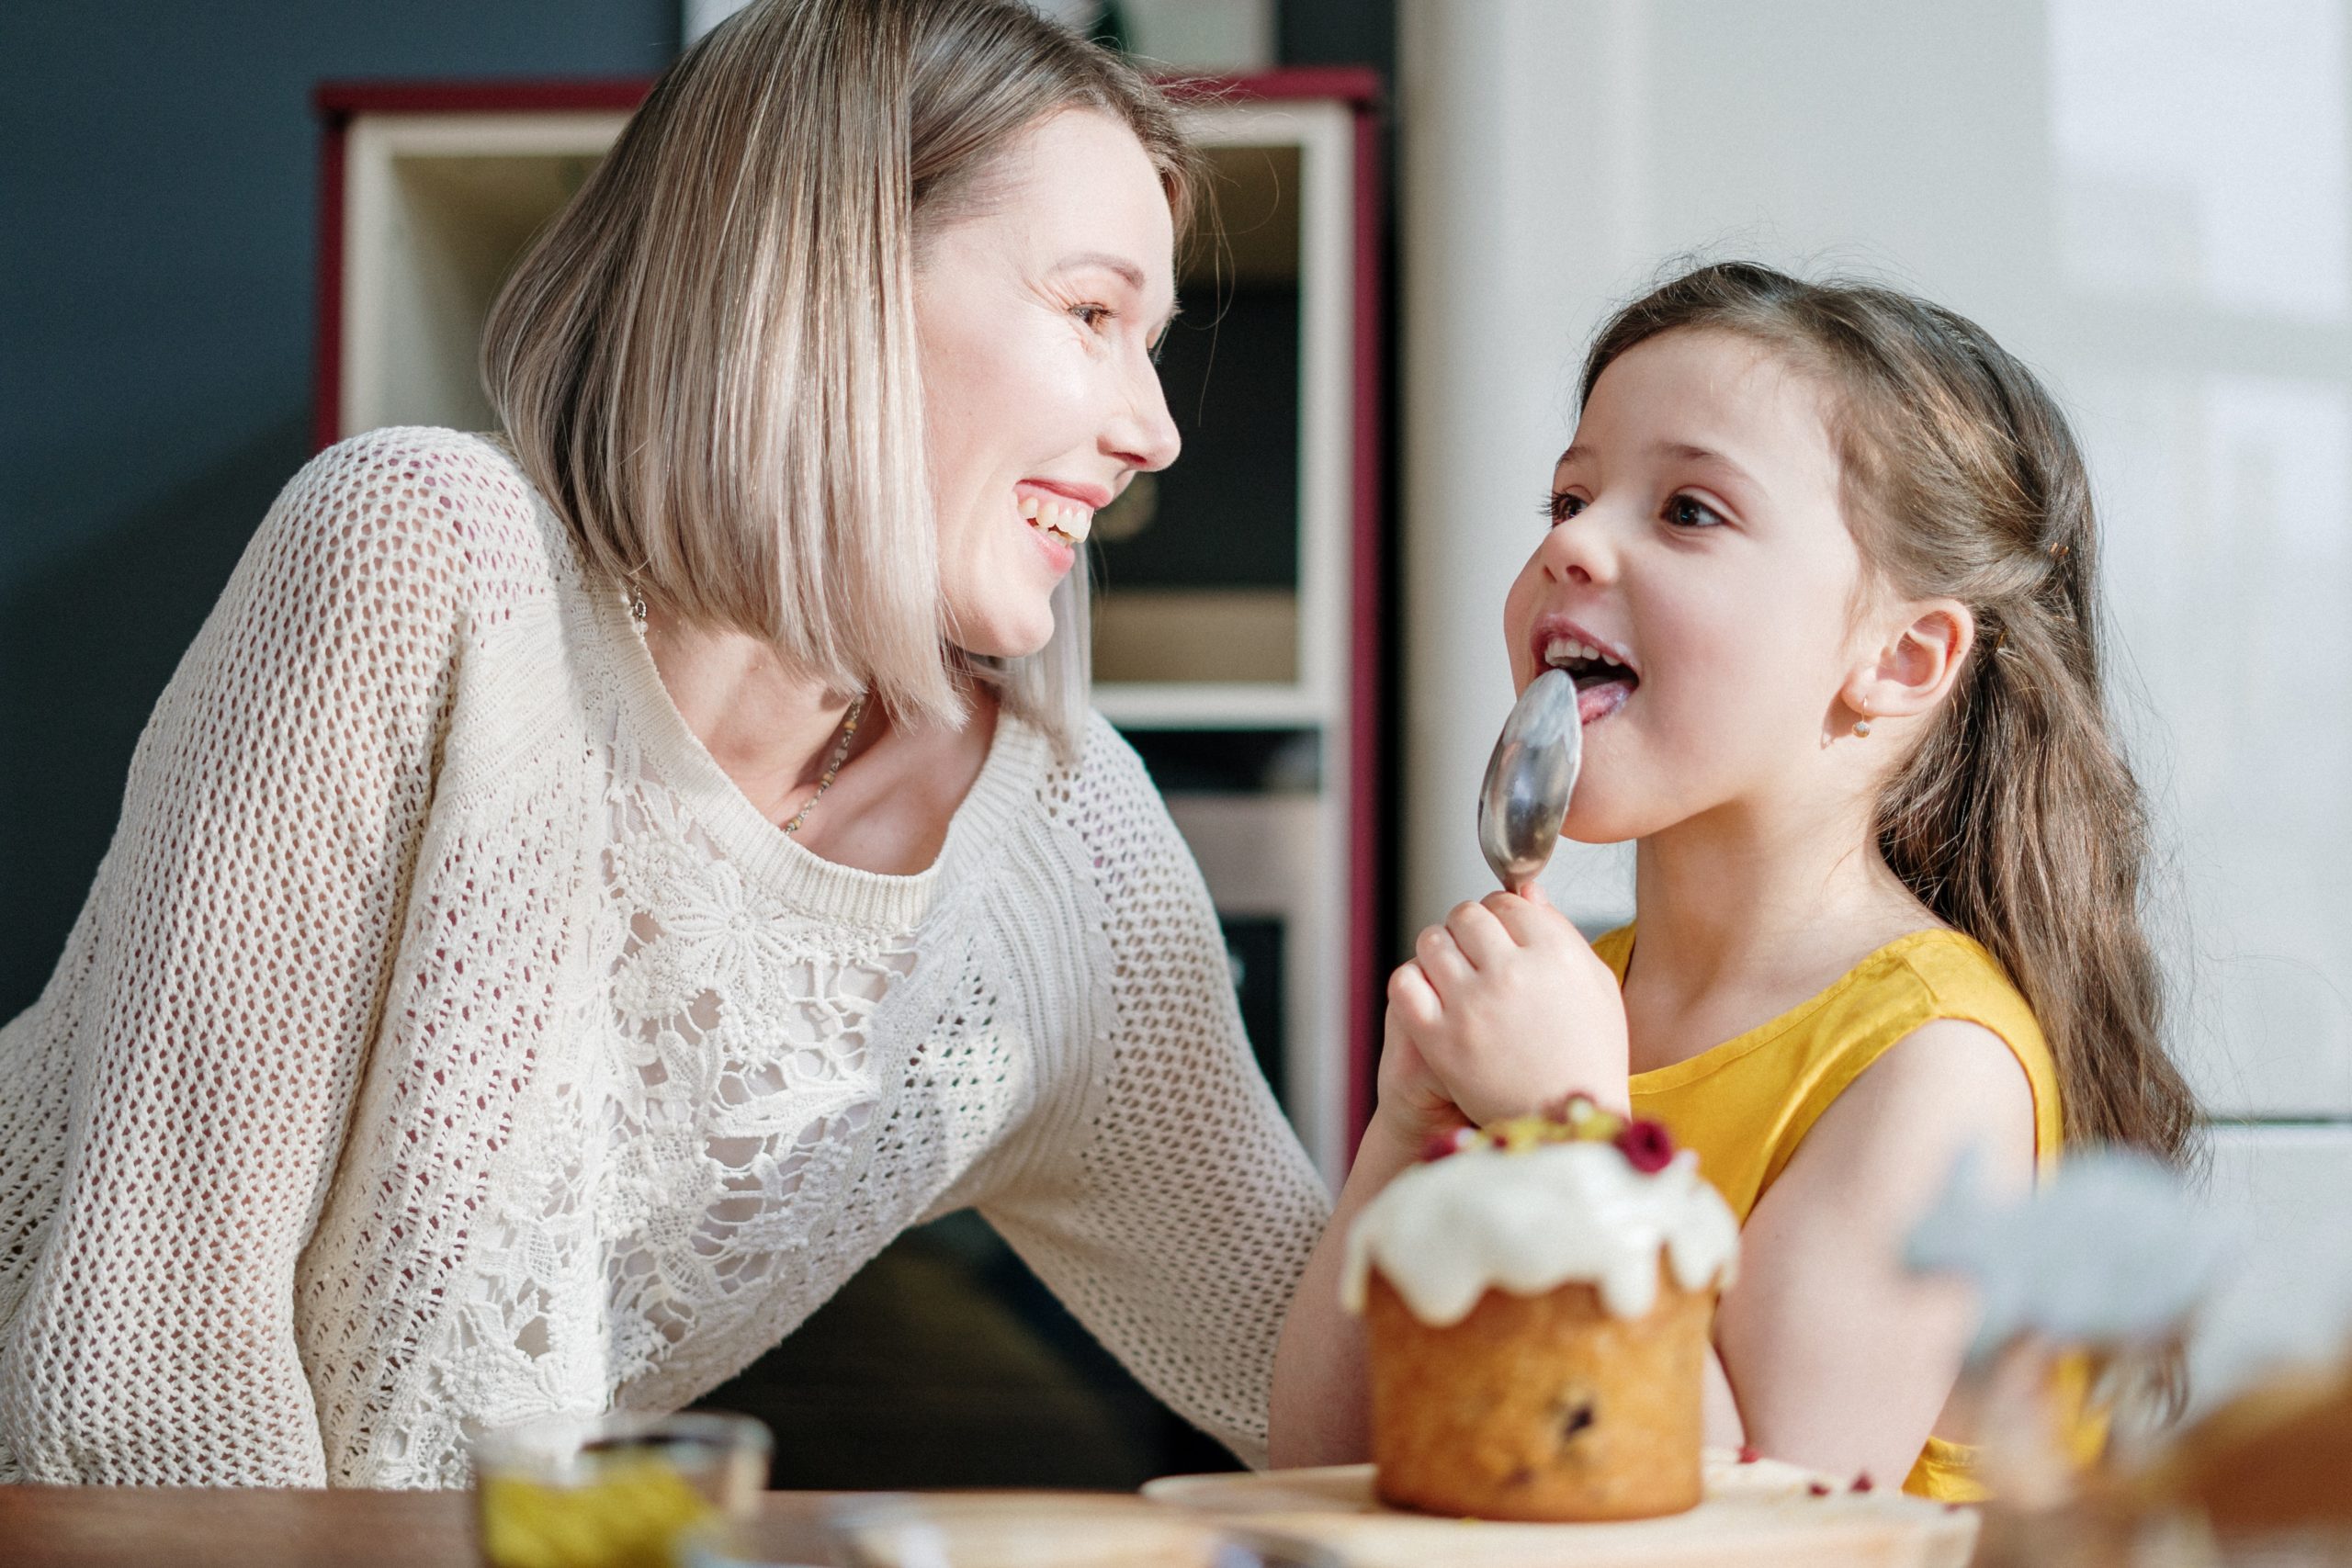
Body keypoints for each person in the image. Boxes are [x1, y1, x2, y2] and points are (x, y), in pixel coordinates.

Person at [0, 0, 1332, 1487]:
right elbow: (149, 1368)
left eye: (1147, 345)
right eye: (1093, 315)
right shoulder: (424, 560)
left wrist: (1463, 1107)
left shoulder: (1068, 851)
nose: (1154, 429)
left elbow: (1322, 1397)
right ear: (824, 278)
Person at [1272, 262, 2199, 1498]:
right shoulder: (1578, 1011)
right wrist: (1415, 1127)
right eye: (1569, 495)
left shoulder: (1933, 1064)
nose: (1570, 543)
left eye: (1690, 511)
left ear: (1900, 656)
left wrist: (1568, 1139)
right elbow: (1325, 1463)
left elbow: (1769, 1519)